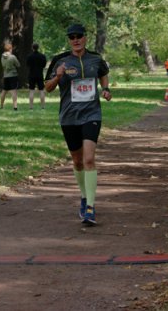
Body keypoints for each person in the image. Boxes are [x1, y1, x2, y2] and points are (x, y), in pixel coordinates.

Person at [45, 24, 111, 226]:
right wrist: (58, 76)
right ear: (69, 40)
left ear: (85, 37)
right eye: (72, 37)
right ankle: (83, 197)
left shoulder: (96, 59)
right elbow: (47, 88)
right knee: (77, 161)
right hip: (69, 117)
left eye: (79, 36)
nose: (76, 40)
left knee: (89, 159)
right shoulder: (60, 60)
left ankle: (90, 207)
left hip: (92, 114)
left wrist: (106, 89)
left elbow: (103, 74)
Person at [0, 42, 20, 111]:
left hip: (6, 76)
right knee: (13, 91)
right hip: (13, 75)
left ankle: (2, 106)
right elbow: (18, 65)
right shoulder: (12, 57)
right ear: (10, 49)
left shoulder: (2, 57)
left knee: (4, 91)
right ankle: (15, 106)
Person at [26, 43, 47, 110]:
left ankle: (31, 107)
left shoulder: (29, 56)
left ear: (32, 48)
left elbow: (27, 65)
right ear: (38, 47)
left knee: (31, 91)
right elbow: (44, 65)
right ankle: (43, 107)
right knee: (41, 90)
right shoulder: (42, 56)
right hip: (40, 75)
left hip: (32, 75)